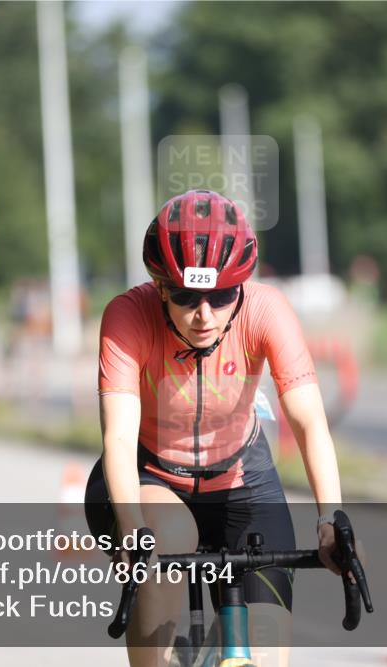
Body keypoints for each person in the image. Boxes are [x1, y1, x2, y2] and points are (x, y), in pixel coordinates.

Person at [84, 190, 345, 667]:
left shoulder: (267, 310)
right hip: (150, 479)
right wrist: (133, 529)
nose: (204, 315)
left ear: (241, 287)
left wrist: (331, 518)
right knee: (167, 536)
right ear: (161, 287)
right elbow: (118, 436)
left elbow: (309, 421)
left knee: (265, 656)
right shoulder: (128, 315)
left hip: (243, 482)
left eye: (221, 296)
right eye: (187, 296)